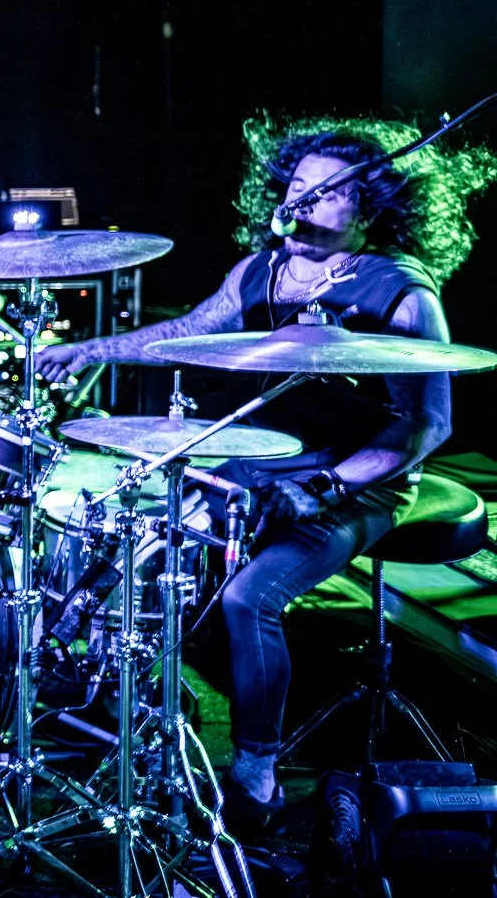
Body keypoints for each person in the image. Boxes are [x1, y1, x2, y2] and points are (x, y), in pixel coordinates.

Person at [36, 119, 493, 831]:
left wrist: (326, 487)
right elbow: (182, 332)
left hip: (358, 477)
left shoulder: (401, 292)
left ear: (370, 208)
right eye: (298, 186)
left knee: (250, 597)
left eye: (329, 192)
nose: (303, 201)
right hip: (263, 458)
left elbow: (426, 426)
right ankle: (130, 718)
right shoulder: (260, 271)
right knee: (146, 550)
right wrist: (89, 350)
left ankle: (257, 771)